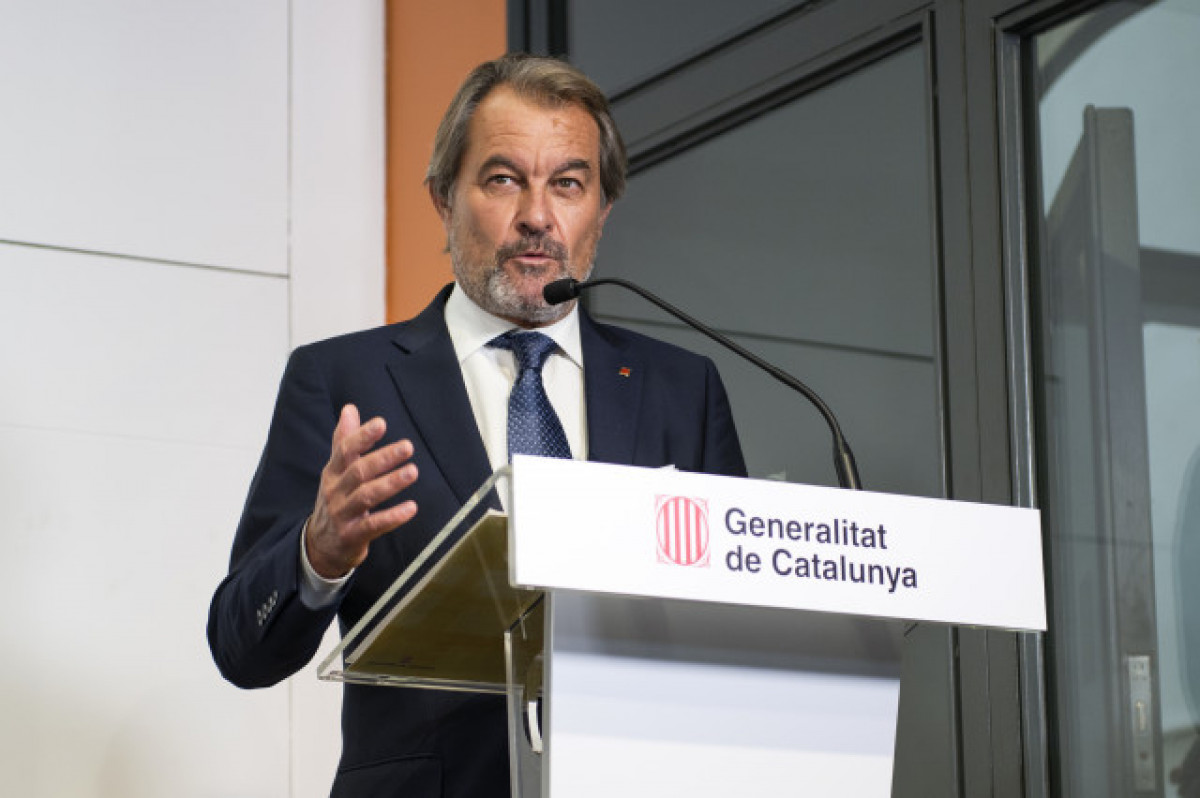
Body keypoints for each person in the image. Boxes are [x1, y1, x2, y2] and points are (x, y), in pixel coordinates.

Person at [207, 53, 745, 798]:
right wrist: (318, 552)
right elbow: (240, 648)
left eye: (568, 184)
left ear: (603, 210)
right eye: (502, 179)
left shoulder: (683, 390)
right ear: (443, 198)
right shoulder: (343, 380)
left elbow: (740, 626)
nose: (538, 216)